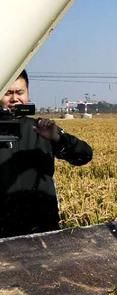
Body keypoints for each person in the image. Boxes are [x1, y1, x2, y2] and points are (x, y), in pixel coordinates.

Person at [0, 70, 92, 238]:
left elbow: (84, 156)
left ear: (28, 94)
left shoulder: (42, 129)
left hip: (42, 229)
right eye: (8, 93)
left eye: (20, 92)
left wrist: (58, 137)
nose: (14, 99)